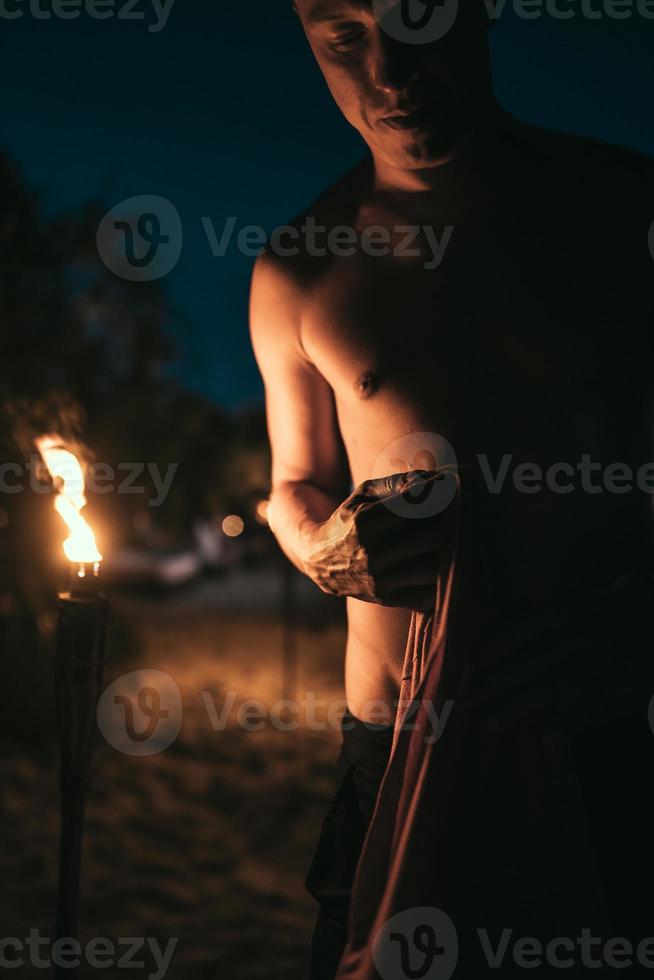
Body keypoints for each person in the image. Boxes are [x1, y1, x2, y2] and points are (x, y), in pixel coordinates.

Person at [250, 2, 654, 976]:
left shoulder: (618, 211)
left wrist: (634, 633)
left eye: (416, 20)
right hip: (388, 742)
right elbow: (295, 484)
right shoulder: (300, 263)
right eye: (343, 34)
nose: (391, 70)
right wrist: (323, 544)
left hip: (600, 726)